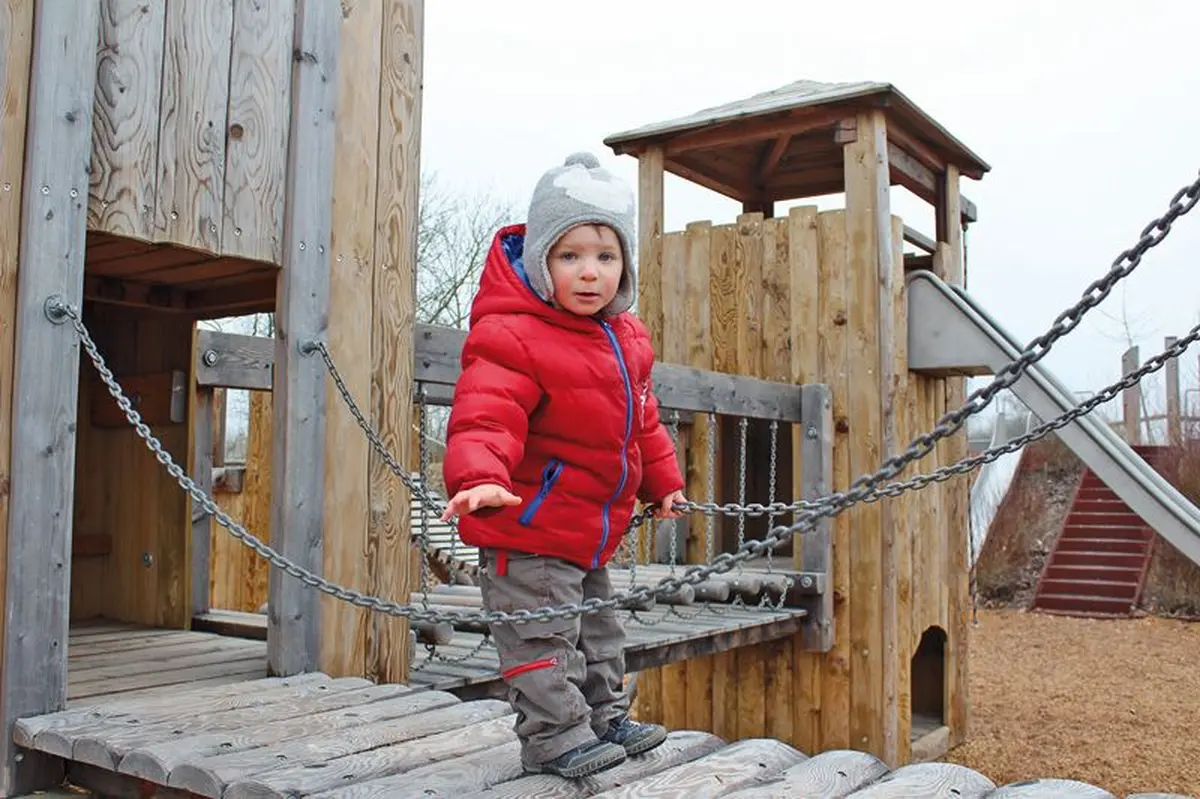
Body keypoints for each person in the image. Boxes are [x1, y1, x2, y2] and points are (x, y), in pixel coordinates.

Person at [440, 152, 688, 779]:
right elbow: (486, 412)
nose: (589, 273)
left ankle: (602, 715)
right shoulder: (515, 332)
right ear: (541, 260)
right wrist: (480, 477)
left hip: (585, 533)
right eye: (569, 255)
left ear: (625, 267)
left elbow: (644, 421)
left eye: (606, 257)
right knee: (540, 639)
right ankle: (553, 734)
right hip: (526, 527)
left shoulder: (625, 338)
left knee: (598, 634)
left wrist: (665, 483)